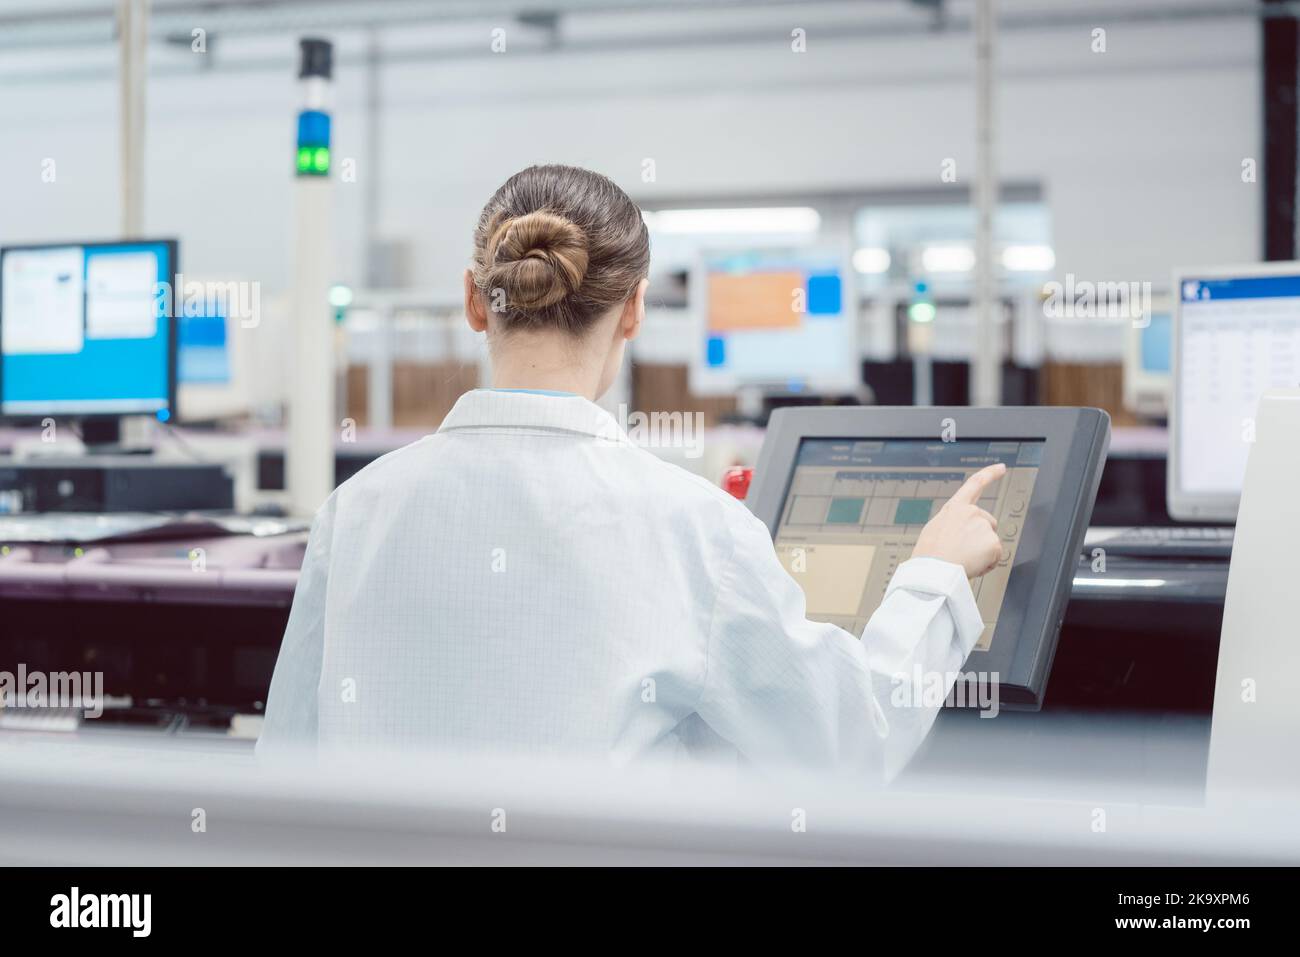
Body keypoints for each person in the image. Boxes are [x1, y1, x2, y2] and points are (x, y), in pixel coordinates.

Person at [259, 164, 1003, 778]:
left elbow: (284, 772)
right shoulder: (694, 526)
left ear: (473, 302)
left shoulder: (353, 511)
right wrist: (932, 578)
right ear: (635, 310)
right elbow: (851, 744)